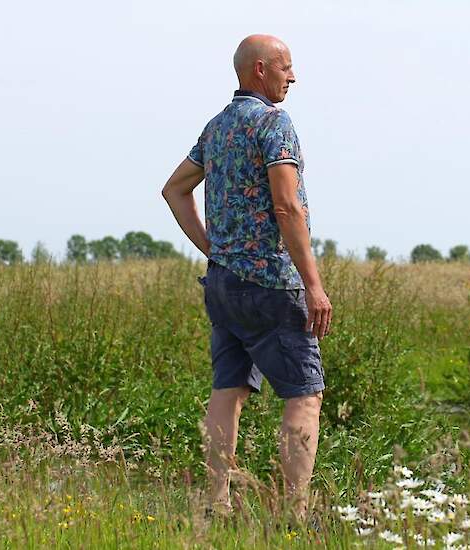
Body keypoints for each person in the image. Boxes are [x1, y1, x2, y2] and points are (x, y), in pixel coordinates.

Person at [161, 34, 332, 522]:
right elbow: (287, 205)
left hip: (223, 285)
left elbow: (175, 190)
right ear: (259, 70)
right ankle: (294, 512)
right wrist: (314, 285)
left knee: (228, 388)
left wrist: (215, 250)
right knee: (304, 395)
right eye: (285, 68)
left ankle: (216, 502)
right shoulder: (274, 125)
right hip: (273, 287)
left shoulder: (217, 128)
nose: (292, 77)